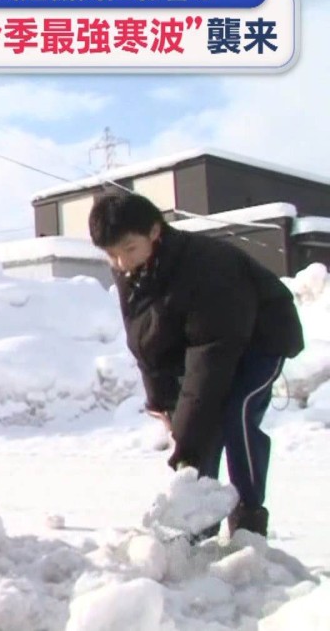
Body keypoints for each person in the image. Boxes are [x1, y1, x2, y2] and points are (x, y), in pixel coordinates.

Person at [88, 191, 304, 538]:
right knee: (197, 421)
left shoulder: (206, 267)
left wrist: (186, 446)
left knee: (234, 415)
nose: (122, 262)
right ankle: (200, 519)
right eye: (111, 254)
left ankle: (248, 516)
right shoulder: (132, 269)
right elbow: (145, 341)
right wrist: (161, 402)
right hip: (212, 343)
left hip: (261, 338)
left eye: (129, 249)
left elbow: (211, 359)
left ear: (155, 232)